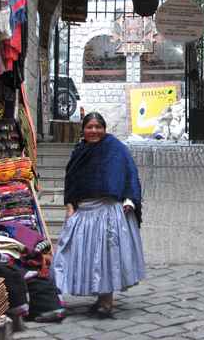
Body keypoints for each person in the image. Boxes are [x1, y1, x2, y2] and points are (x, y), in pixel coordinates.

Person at [51, 112, 145, 317]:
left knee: (105, 256)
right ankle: (93, 295)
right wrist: (70, 206)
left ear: (104, 128)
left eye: (97, 127)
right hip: (84, 212)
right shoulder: (79, 152)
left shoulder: (116, 150)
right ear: (83, 129)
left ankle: (106, 301)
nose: (93, 131)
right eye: (89, 127)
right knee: (83, 254)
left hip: (108, 211)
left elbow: (130, 173)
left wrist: (129, 199)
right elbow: (72, 180)